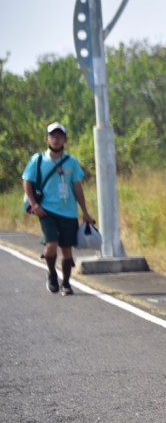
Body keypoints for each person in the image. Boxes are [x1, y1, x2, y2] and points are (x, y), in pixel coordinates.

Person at [21, 122, 96, 296]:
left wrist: (84, 211)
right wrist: (35, 205)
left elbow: (77, 187)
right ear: (47, 138)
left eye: (59, 136)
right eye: (52, 136)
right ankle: (52, 274)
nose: (56, 139)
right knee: (51, 243)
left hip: (68, 211)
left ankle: (67, 283)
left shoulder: (72, 162)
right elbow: (27, 182)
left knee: (67, 249)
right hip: (46, 210)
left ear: (65, 139)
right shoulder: (38, 160)